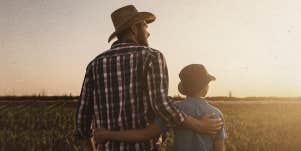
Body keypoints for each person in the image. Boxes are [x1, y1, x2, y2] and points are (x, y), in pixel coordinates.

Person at [75, 5, 223, 151]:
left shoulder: (94, 65)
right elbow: (161, 105)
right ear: (134, 28)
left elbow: (82, 121)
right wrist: (199, 125)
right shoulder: (152, 57)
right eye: (145, 26)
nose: (148, 33)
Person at [95, 64, 227, 151]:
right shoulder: (216, 114)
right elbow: (219, 148)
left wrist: (107, 134)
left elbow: (145, 134)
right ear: (205, 89)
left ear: (184, 89)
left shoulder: (173, 110)